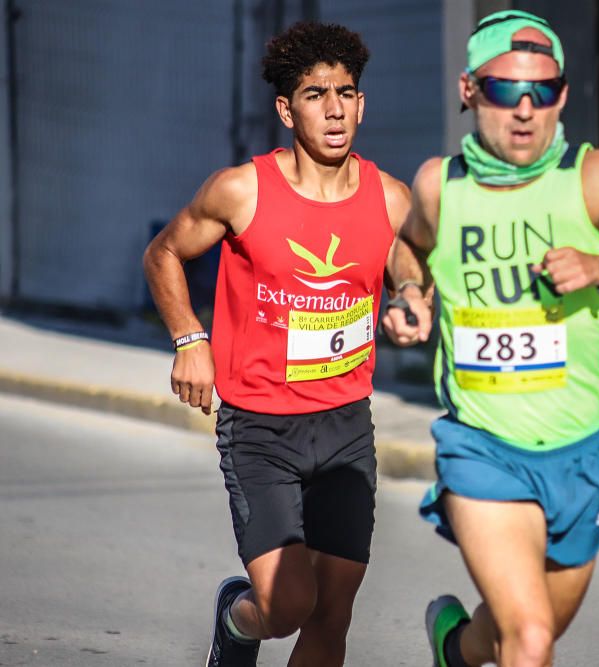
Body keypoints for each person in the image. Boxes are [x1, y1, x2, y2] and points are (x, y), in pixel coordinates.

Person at [382, 9, 599, 667]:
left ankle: (455, 648)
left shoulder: (597, 180)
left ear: (563, 95)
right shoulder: (439, 187)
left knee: (520, 633)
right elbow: (409, 249)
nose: (526, 110)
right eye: (506, 90)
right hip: (481, 446)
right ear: (469, 91)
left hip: (582, 452)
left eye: (545, 91)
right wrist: (409, 294)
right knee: (530, 640)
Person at [143, 21, 410, 667]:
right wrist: (190, 339)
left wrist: (408, 300)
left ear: (363, 102)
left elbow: (409, 264)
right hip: (261, 426)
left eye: (346, 92)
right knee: (288, 605)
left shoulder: (391, 197)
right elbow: (164, 254)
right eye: (316, 94)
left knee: (334, 613)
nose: (336, 108)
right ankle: (239, 622)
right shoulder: (243, 190)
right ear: (287, 109)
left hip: (346, 424)